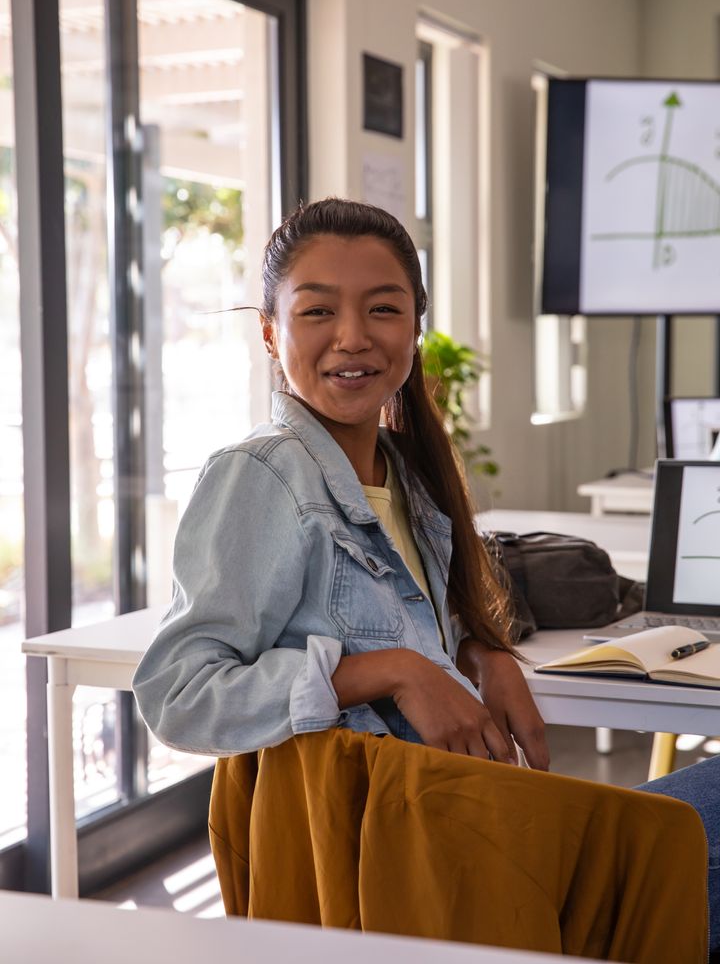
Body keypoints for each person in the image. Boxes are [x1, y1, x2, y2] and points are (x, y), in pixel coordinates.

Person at [133, 197, 717, 949]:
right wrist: (392, 671)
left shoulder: (404, 474)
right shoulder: (264, 475)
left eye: (383, 308)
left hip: (455, 826)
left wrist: (479, 654)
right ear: (271, 333)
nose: (352, 337)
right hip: (393, 865)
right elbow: (179, 697)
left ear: (415, 327)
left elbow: (415, 625)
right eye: (317, 312)